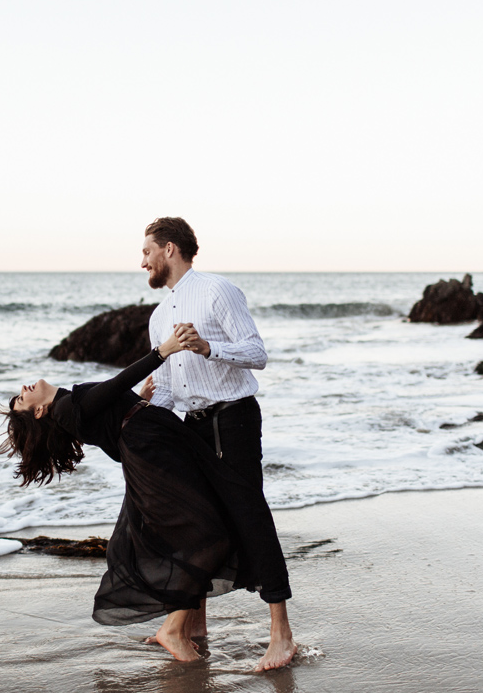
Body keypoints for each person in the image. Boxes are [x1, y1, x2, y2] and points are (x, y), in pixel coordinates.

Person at [0, 328, 261, 664]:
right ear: (37, 413)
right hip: (152, 454)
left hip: (150, 450)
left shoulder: (69, 407)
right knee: (210, 536)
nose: (22, 390)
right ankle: (173, 630)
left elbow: (116, 441)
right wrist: (162, 352)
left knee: (200, 534)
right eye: (21, 399)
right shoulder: (63, 409)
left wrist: (139, 402)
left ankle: (184, 627)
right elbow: (115, 385)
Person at [138, 216, 297, 672]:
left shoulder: (216, 290)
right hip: (192, 426)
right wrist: (141, 413)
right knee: (196, 523)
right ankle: (192, 626)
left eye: (146, 250)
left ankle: (281, 635)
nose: (142, 260)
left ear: (169, 249)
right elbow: (168, 388)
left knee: (251, 519)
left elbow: (256, 353)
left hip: (234, 420)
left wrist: (209, 347)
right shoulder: (157, 317)